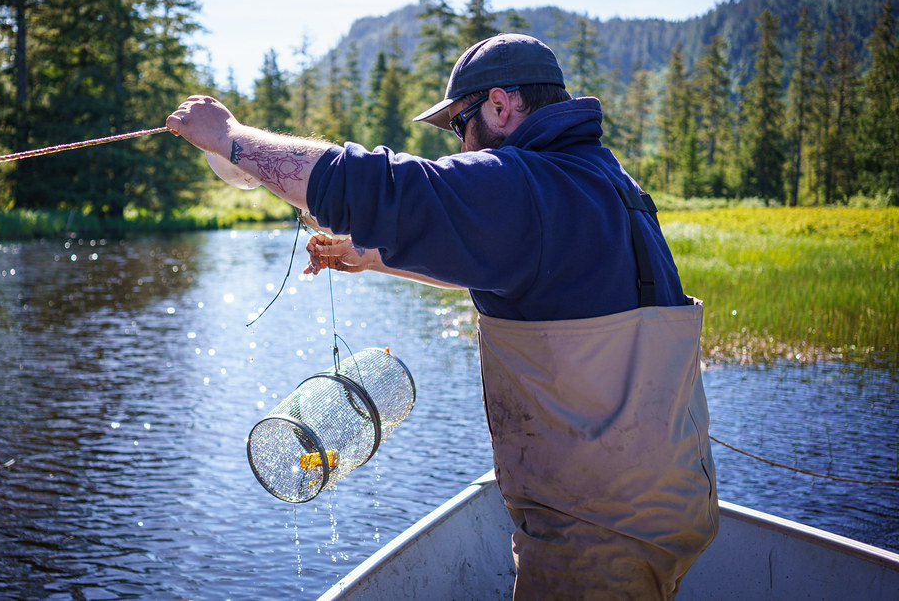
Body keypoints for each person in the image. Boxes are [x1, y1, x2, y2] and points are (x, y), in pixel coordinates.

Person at [167, 33, 718, 599]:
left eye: (460, 125)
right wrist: (371, 257)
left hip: (598, 531)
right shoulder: (604, 181)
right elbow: (514, 266)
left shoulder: (525, 181)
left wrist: (231, 138)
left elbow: (378, 187)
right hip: (676, 504)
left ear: (501, 107)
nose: (458, 146)